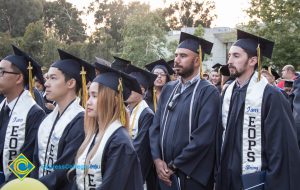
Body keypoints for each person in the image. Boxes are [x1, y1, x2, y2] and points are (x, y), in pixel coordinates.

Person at [215, 30, 300, 190]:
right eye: (229, 56)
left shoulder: (271, 95)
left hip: (256, 181)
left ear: (253, 60)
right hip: (228, 179)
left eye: (236, 56)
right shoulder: (228, 92)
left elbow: (281, 150)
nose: (230, 61)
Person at [149, 32, 219, 190]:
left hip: (190, 176)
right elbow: (155, 127)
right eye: (176, 55)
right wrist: (157, 160)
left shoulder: (208, 92)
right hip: (164, 173)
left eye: (183, 56)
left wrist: (173, 166)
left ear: (196, 60)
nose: (176, 60)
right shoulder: (169, 88)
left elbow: (203, 138)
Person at [71, 63, 143, 190]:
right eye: (89, 95)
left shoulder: (120, 142)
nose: (88, 102)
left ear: (113, 100)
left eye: (94, 96)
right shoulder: (93, 134)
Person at [31, 49, 95, 190]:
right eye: (47, 78)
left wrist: (33, 186)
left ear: (70, 83)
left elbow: (64, 170)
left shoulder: (80, 121)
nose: (46, 83)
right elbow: (33, 158)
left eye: (53, 78)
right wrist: (16, 180)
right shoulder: (47, 119)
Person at [0, 45, 46, 184]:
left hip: (15, 184)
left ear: (19, 78)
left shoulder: (35, 114)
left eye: (2, 72)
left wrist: (9, 185)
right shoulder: (2, 107)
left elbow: (28, 158)